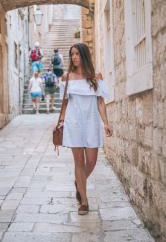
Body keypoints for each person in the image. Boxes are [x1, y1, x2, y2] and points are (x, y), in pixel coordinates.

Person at [58, 43, 113, 215]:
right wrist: (60, 121)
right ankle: (84, 201)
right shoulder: (66, 78)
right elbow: (65, 102)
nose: (74, 57)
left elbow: (100, 101)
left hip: (91, 123)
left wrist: (106, 122)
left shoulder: (96, 76)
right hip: (73, 123)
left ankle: (79, 182)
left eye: (77, 54)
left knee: (91, 161)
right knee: (79, 162)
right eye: (72, 54)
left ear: (84, 55)